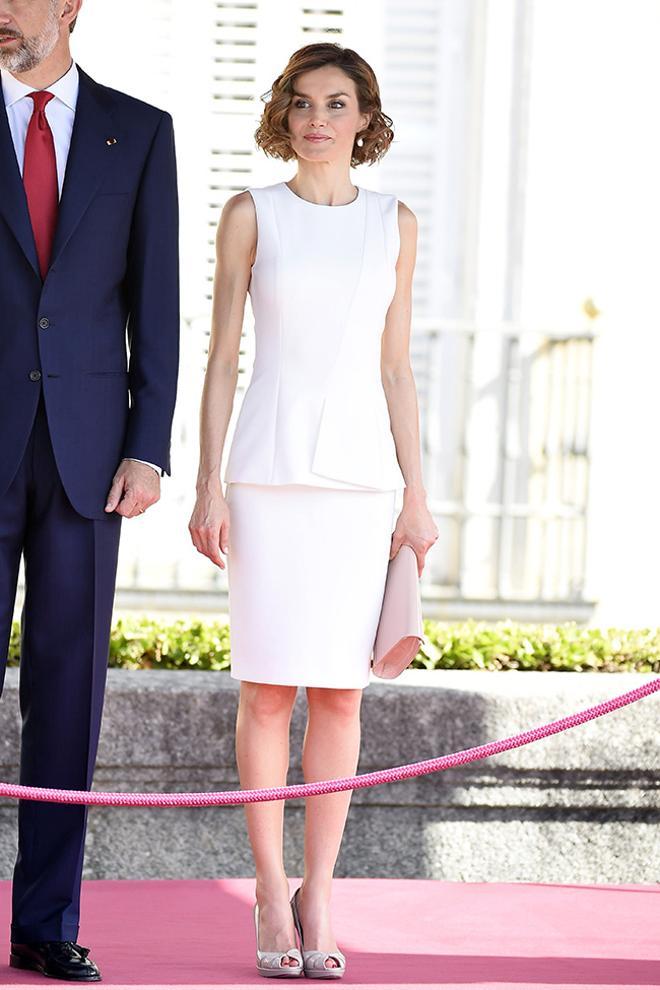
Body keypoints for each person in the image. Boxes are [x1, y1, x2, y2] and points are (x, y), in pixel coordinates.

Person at [189, 41, 438, 980]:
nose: (318, 120)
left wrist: (417, 494)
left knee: (340, 693)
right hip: (263, 477)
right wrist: (209, 478)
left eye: (337, 104)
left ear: (367, 119)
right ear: (284, 117)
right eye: (301, 104)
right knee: (264, 691)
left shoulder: (395, 224)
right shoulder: (252, 214)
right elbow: (220, 359)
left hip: (362, 484)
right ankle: (267, 888)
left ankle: (320, 892)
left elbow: (395, 368)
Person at [0, 0, 179, 981]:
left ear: (69, 5)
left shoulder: (140, 130)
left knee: (68, 696)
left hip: (86, 456)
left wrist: (148, 445)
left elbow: (155, 300)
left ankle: (44, 923)